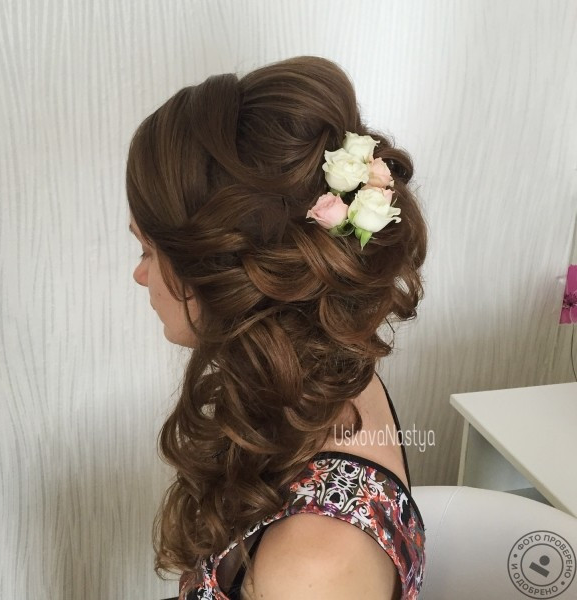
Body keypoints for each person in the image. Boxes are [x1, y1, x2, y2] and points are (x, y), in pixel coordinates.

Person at [126, 55, 428, 600]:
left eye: (148, 249)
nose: (139, 274)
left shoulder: (312, 569)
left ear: (220, 271)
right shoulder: (329, 373)